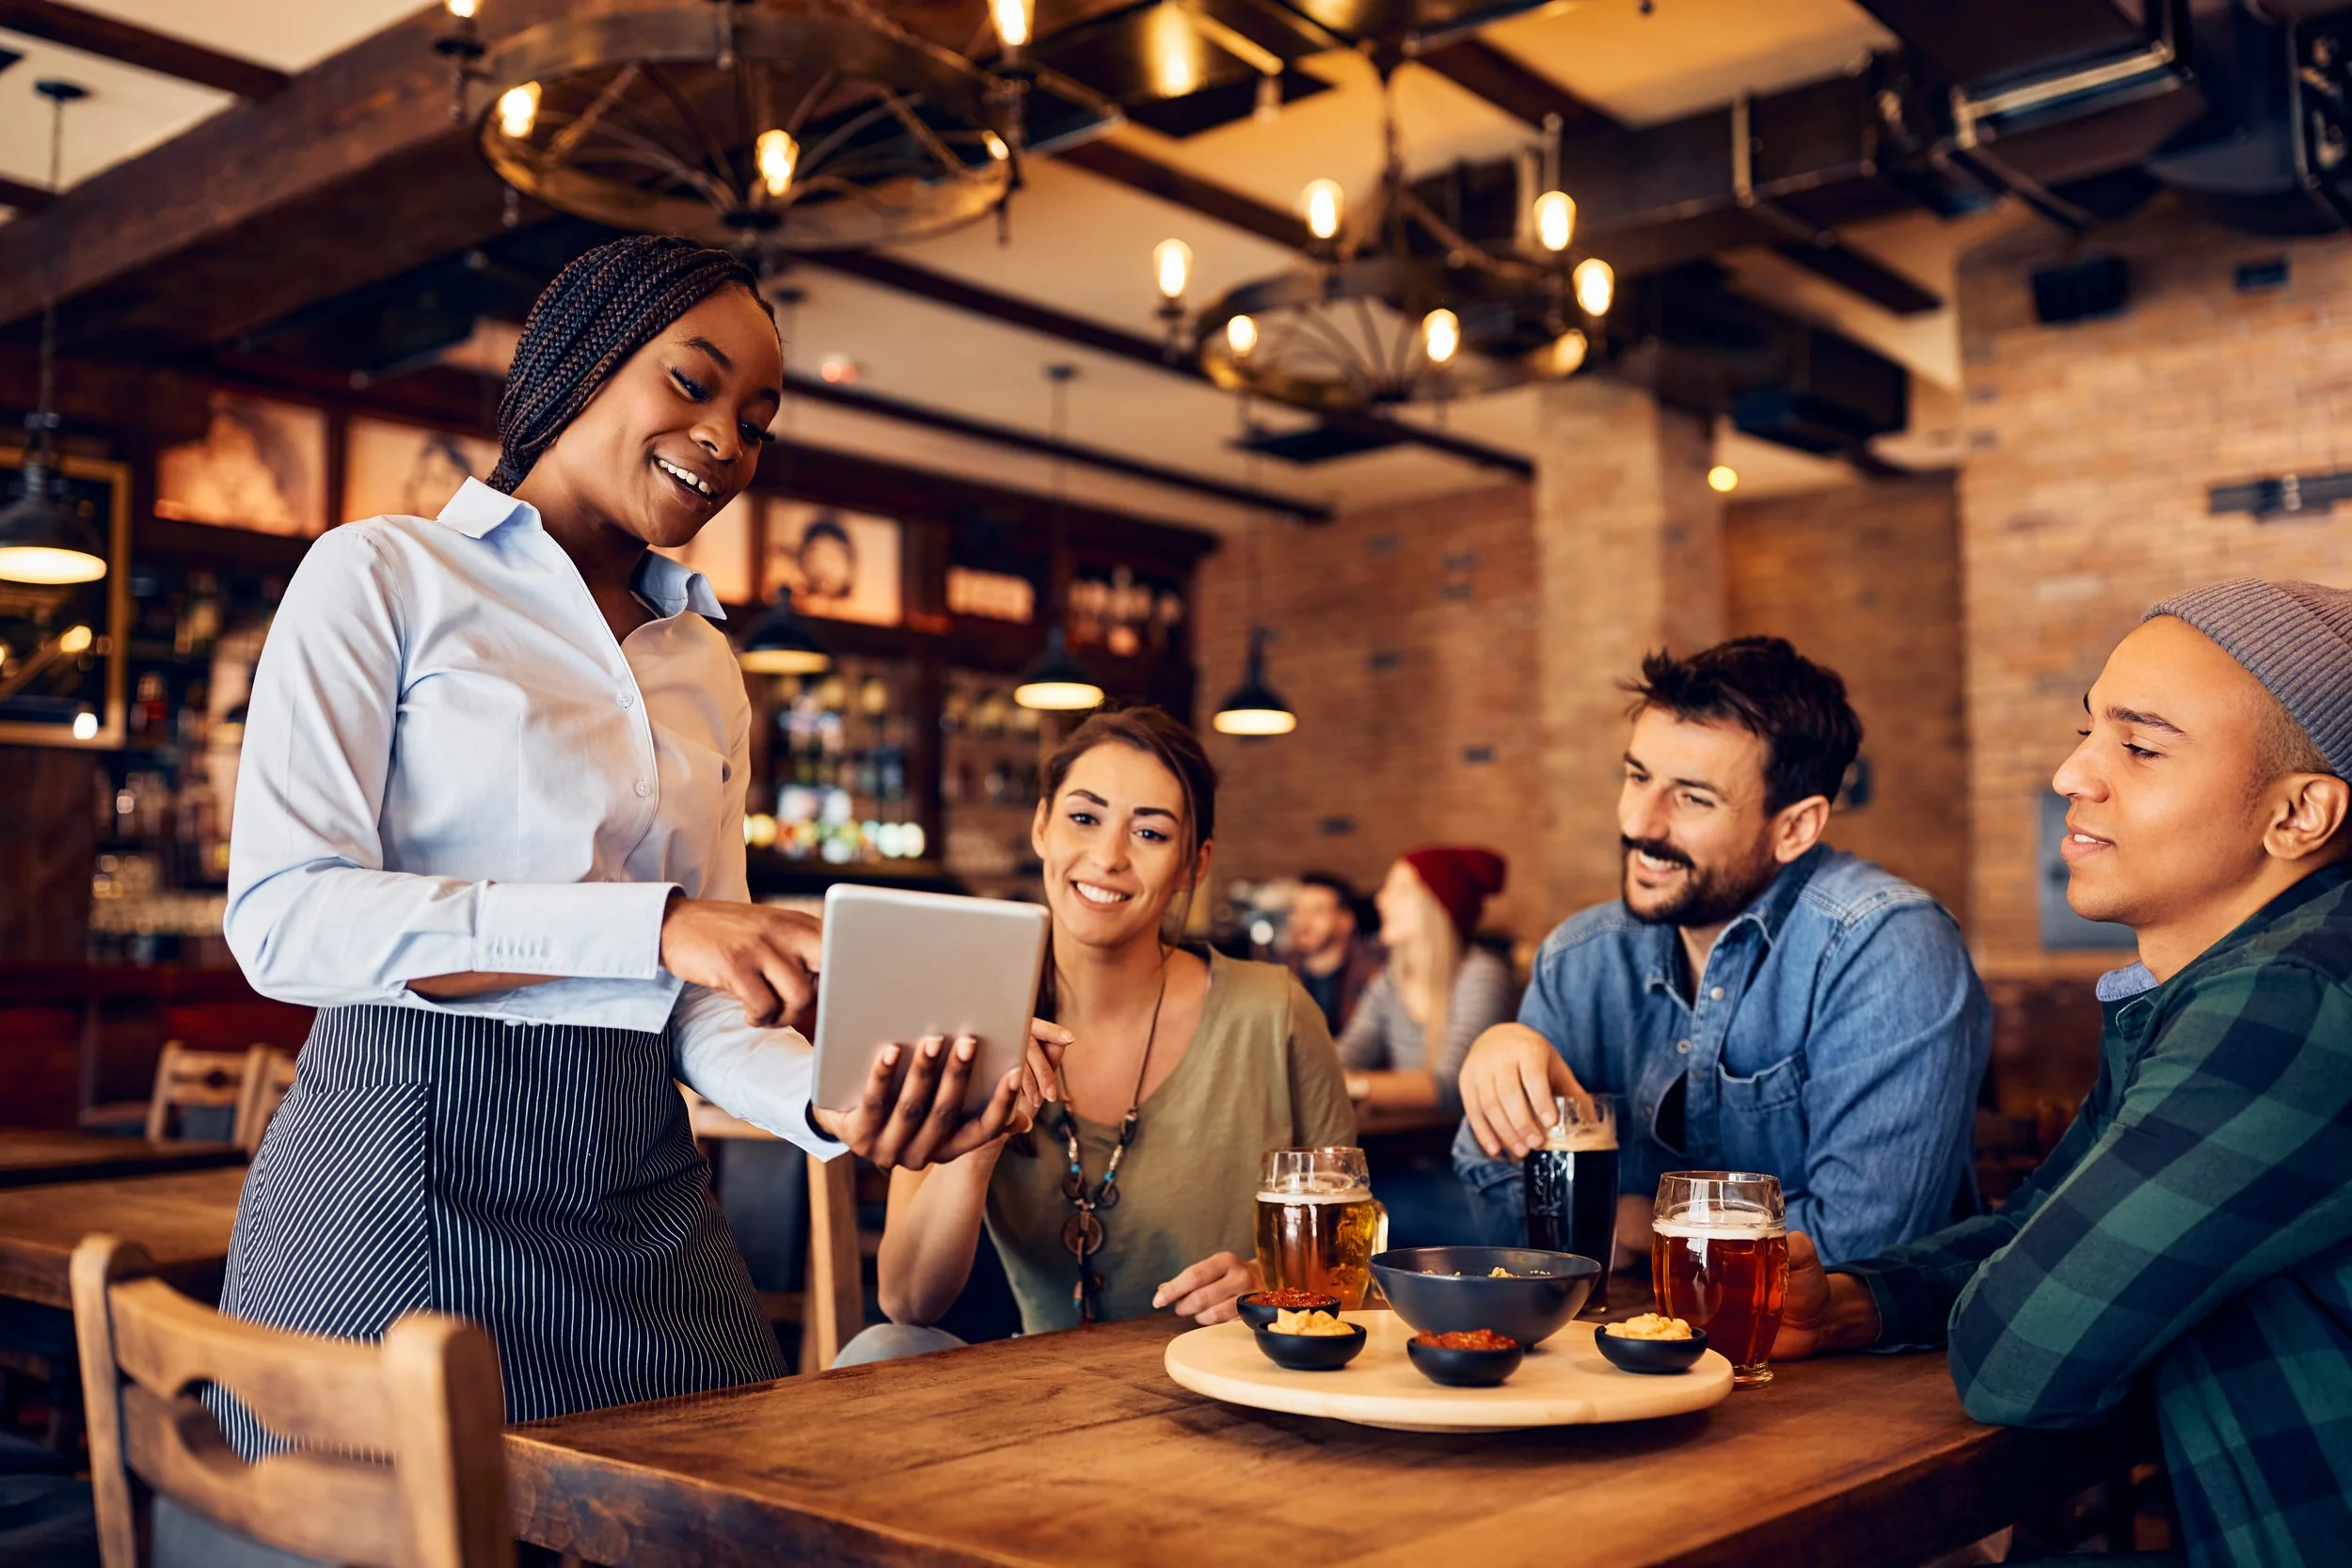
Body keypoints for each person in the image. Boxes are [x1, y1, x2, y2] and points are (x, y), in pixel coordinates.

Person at [216, 236, 1050, 1455]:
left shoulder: (708, 663)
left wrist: (843, 1106)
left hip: (644, 1181)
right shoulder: (382, 575)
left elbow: (697, 1006)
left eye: (759, 420)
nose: (728, 438)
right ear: (581, 366)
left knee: (752, 1504)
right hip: (404, 1160)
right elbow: (286, 919)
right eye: (694, 383)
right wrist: (655, 922)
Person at [1776, 580, 2352, 1567]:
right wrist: (1857, 1300)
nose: (2068, 773)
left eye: (2140, 745)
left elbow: (2018, 1358)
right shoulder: (2218, 986)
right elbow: (2037, 1226)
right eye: (2086, 730)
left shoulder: (2286, 998)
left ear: (2299, 810)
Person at [839, 707, 1357, 1361]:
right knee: (881, 1347)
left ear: (1194, 865)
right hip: (1046, 1396)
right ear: (1041, 828)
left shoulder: (1273, 1011)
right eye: (1084, 818)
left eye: (1149, 831)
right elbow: (909, 1301)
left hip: (1229, 1388)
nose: (1109, 856)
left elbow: (1350, 1260)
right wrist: (980, 1134)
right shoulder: (966, 1010)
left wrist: (1270, 1282)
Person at [1453, 637, 1989, 1267]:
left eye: (1692, 797)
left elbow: (1860, 1242)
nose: (1640, 824)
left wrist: (1628, 1221)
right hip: (1618, 1351)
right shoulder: (1579, 957)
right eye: (1637, 776)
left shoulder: (1886, 946)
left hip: (1852, 1364)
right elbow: (1497, 1200)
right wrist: (1499, 1054)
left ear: (1794, 827)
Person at [1336, 848, 1518, 1113]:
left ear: (1438, 905)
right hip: (1411, 1140)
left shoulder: (1482, 975)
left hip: (1464, 1147)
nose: (1380, 899)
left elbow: (1454, 1086)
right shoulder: (1390, 981)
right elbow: (1348, 1053)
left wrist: (1354, 1086)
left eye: (1401, 890)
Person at [1284, 870, 1381, 1035]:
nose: (1303, 921)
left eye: (1317, 911)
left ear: (1346, 921)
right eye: (1298, 910)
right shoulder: (1280, 970)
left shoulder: (1374, 972)